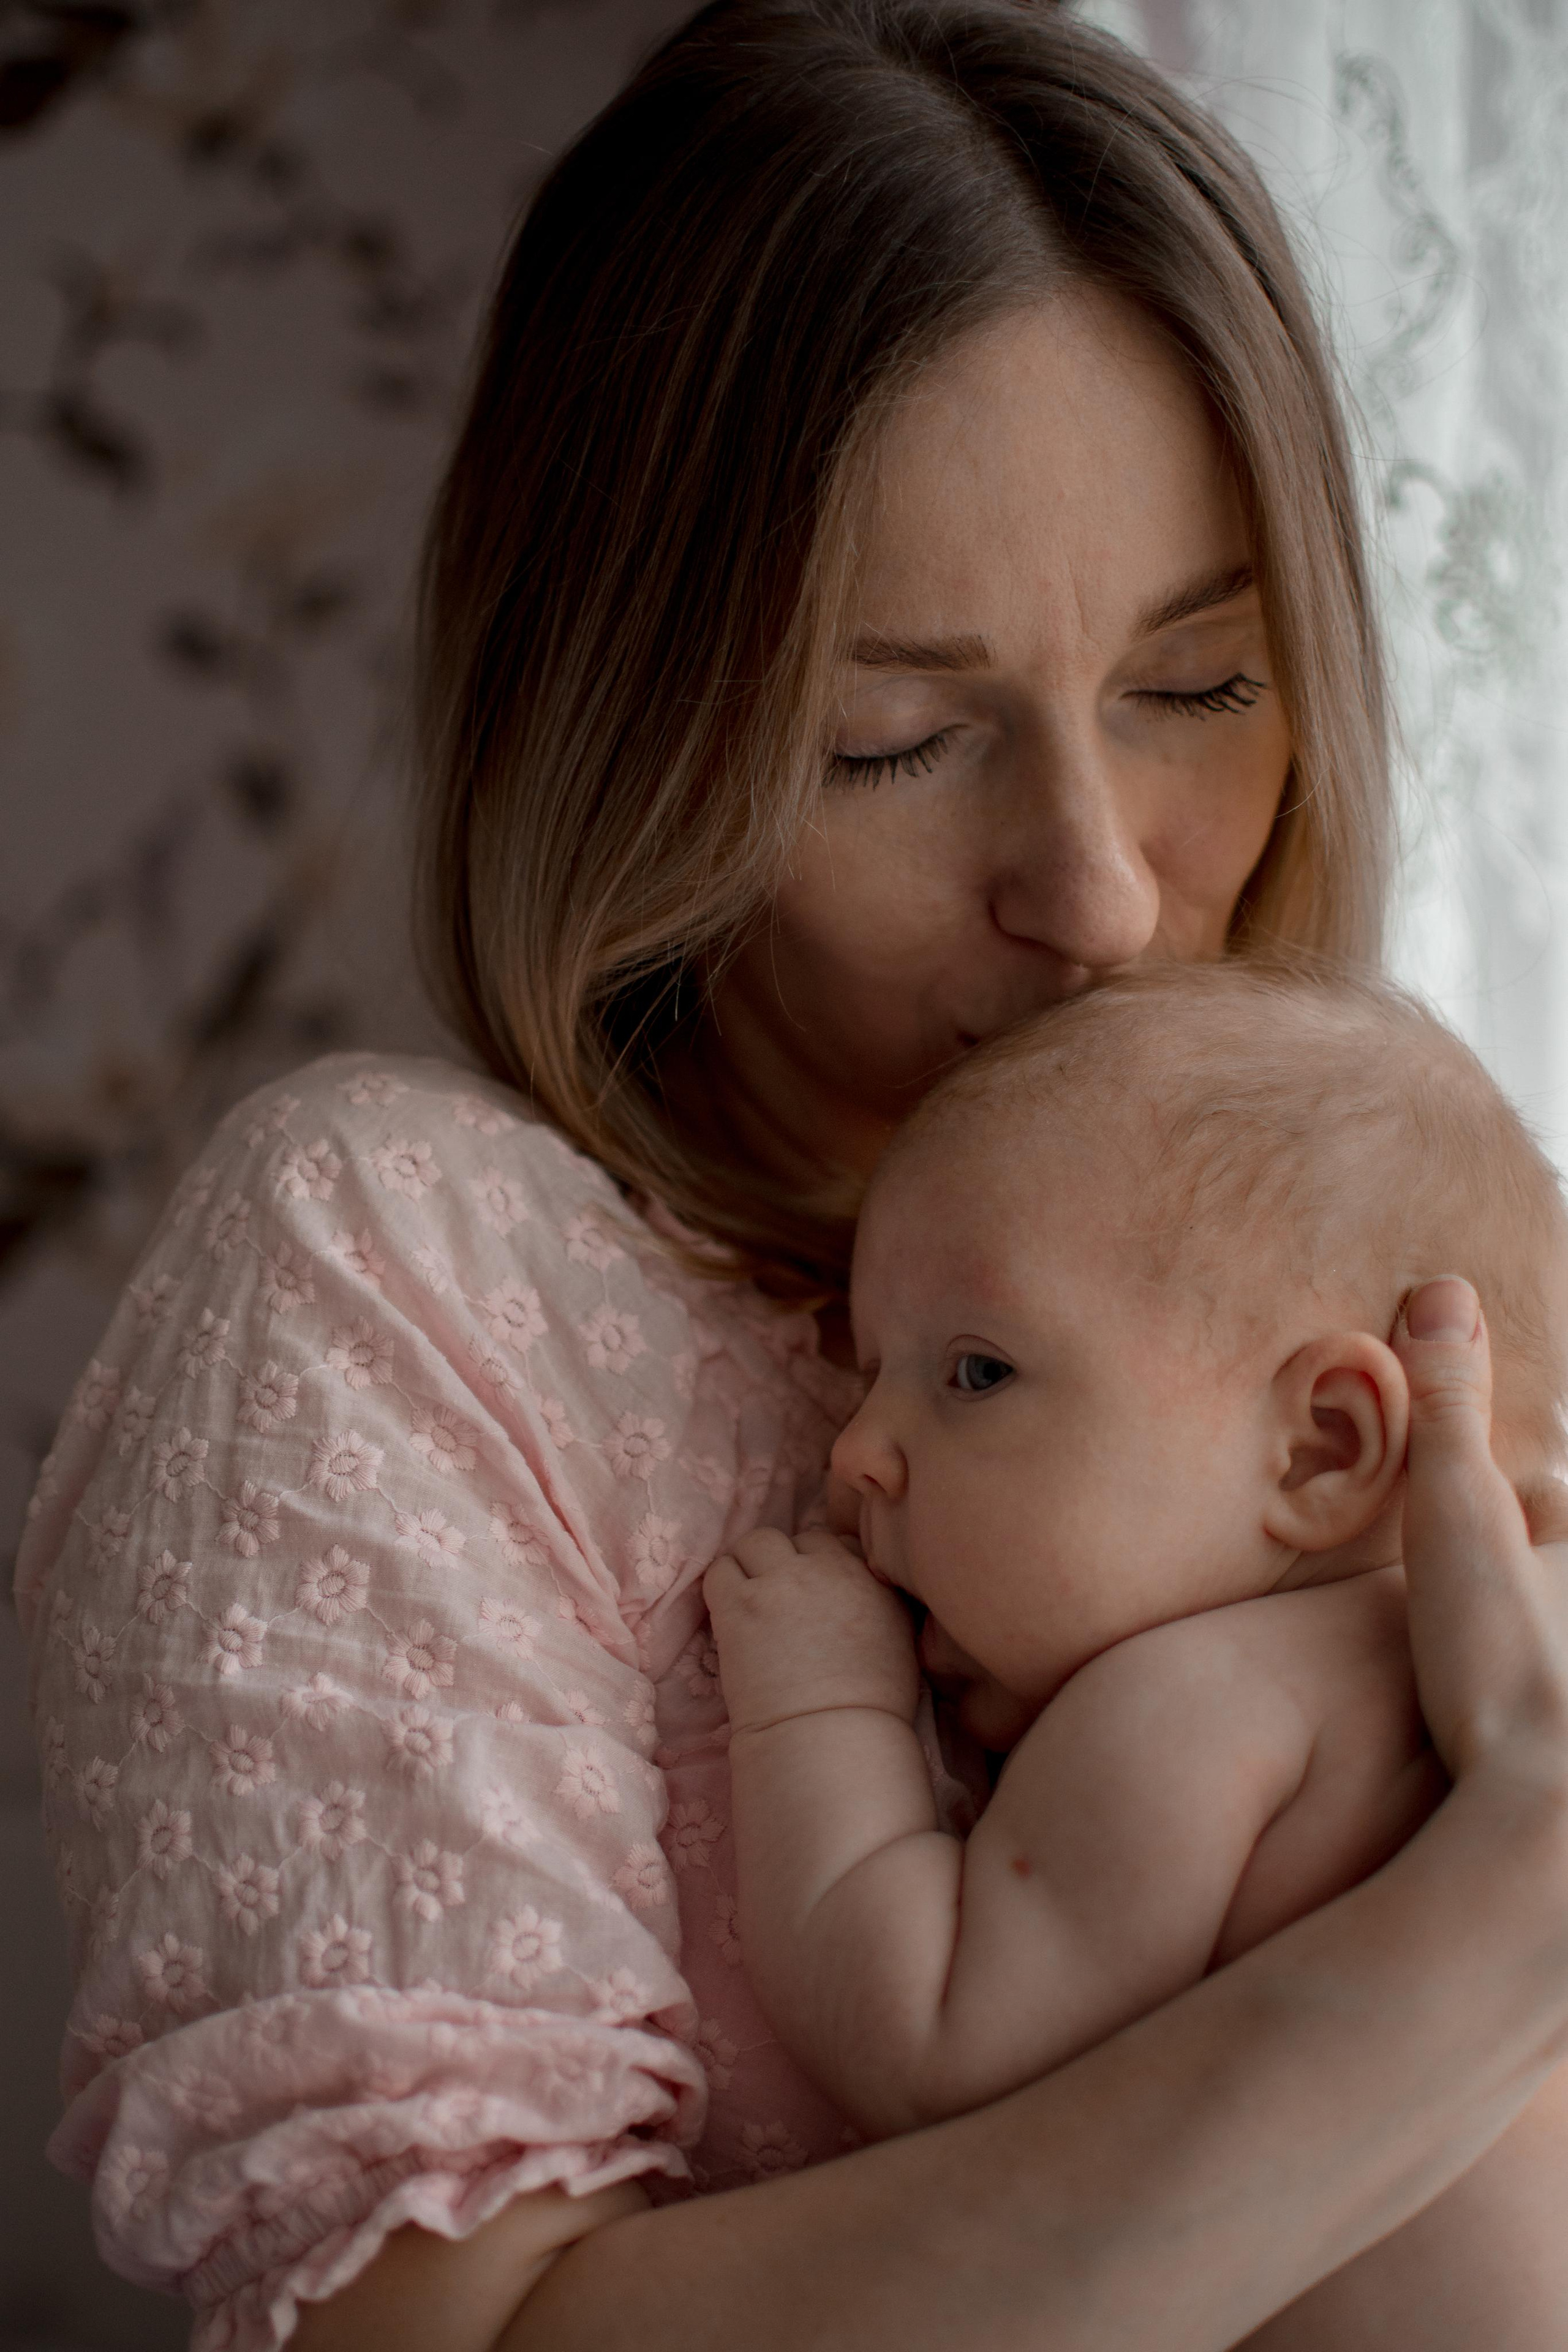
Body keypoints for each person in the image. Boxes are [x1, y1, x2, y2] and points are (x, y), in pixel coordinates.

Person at [13, 5, 1568, 2348]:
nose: (1100, 891)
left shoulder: (1392, 1255)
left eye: (1197, 688)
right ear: (636, 735)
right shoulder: (402, 1263)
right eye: (897, 740)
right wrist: (1452, 1981)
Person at [706, 960, 1568, 2348]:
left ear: (1323, 1445)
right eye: (874, 1369)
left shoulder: (1205, 1698)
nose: (854, 1452)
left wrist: (814, 1704)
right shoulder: (1507, 1645)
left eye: (972, 1372)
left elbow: (928, 2040)